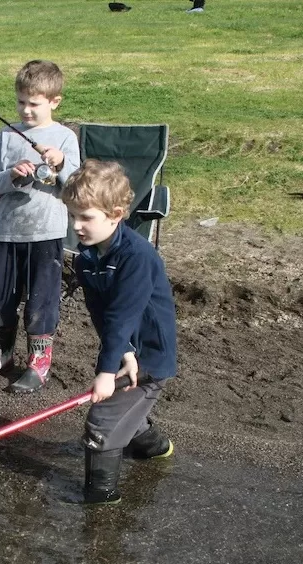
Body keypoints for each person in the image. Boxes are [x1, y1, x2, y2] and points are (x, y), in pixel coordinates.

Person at [60, 159, 178, 504]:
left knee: (102, 422)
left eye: (86, 218)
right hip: (128, 349)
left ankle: (101, 501)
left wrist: (106, 371)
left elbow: (124, 315)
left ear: (115, 214)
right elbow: (102, 314)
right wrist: (122, 353)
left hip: (152, 355)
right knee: (124, 410)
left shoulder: (136, 257)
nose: (77, 226)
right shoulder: (86, 258)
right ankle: (156, 448)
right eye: (72, 217)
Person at [0, 60, 81, 394]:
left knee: (41, 303)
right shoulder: (6, 135)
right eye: (21, 103)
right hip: (7, 232)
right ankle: (1, 355)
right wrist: (13, 174)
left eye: (34, 103)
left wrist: (59, 165)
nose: (26, 110)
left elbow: (73, 185)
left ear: (54, 101)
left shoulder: (65, 138)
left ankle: (38, 365)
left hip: (46, 235)